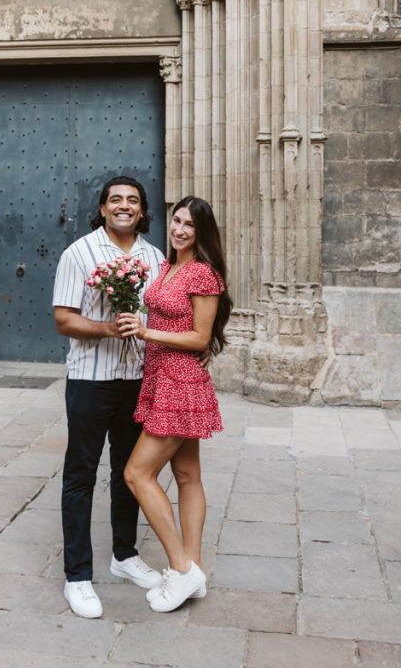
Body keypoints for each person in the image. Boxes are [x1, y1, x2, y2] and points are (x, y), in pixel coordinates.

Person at [53, 176, 165, 619]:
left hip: (136, 377)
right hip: (90, 379)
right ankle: (77, 576)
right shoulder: (78, 253)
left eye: (132, 201)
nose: (124, 206)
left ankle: (124, 555)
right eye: (115, 200)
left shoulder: (155, 258)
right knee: (80, 474)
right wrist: (105, 329)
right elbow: (63, 319)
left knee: (129, 471)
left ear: (141, 210)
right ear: (102, 208)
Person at [118, 196, 232, 613]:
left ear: (203, 232)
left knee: (137, 473)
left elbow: (200, 338)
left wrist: (148, 334)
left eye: (189, 225)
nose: (180, 229)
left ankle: (181, 569)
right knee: (186, 474)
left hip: (179, 382)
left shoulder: (202, 273)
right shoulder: (169, 266)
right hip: (160, 376)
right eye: (176, 220)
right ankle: (194, 572)